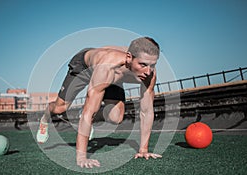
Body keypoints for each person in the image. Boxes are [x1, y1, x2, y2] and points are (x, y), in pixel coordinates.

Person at [37, 37, 162, 168]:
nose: (148, 72)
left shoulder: (149, 74)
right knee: (60, 108)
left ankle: (84, 119)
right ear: (129, 58)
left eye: (152, 65)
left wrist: (143, 150)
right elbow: (89, 112)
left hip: (117, 76)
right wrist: (81, 157)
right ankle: (45, 119)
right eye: (142, 65)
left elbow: (146, 111)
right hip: (85, 67)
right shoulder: (107, 68)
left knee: (116, 117)